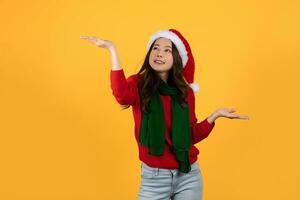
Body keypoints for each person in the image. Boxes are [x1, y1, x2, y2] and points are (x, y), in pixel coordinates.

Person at [80, 29, 250, 200]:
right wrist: (112, 49)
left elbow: (191, 136)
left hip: (188, 175)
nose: (159, 54)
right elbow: (120, 94)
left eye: (167, 50)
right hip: (154, 178)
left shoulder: (185, 92)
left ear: (176, 58)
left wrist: (215, 116)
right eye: (155, 48)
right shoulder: (139, 84)